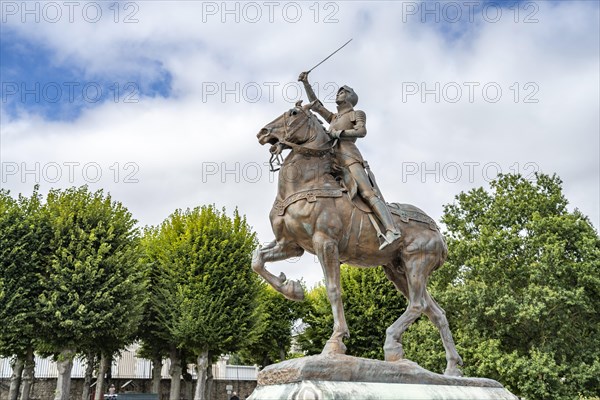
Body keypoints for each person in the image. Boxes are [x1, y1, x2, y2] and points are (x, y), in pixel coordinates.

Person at [298, 71, 401, 249]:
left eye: (342, 92)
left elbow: (362, 132)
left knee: (367, 193)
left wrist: (339, 133)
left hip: (350, 158)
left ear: (349, 97)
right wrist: (306, 83)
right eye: (338, 92)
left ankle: (392, 229)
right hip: (332, 161)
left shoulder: (356, 114)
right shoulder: (334, 117)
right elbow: (316, 105)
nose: (338, 94)